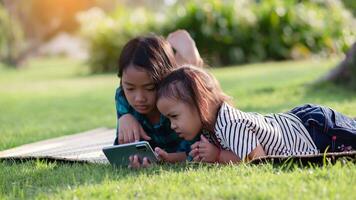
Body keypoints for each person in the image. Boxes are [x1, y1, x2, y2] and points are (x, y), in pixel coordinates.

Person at [156, 65, 356, 164]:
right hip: (300, 124)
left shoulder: (230, 125)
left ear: (201, 104)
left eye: (174, 116)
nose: (172, 125)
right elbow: (194, 154)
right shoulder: (209, 129)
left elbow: (258, 160)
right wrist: (169, 158)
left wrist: (217, 155)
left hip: (314, 130)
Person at [114, 30, 203, 168]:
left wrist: (167, 159)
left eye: (149, 88)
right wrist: (124, 117)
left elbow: (196, 152)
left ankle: (191, 61)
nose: (139, 98)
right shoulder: (123, 98)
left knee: (189, 81)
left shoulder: (181, 102)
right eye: (130, 88)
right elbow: (121, 150)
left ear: (164, 80)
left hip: (185, 89)